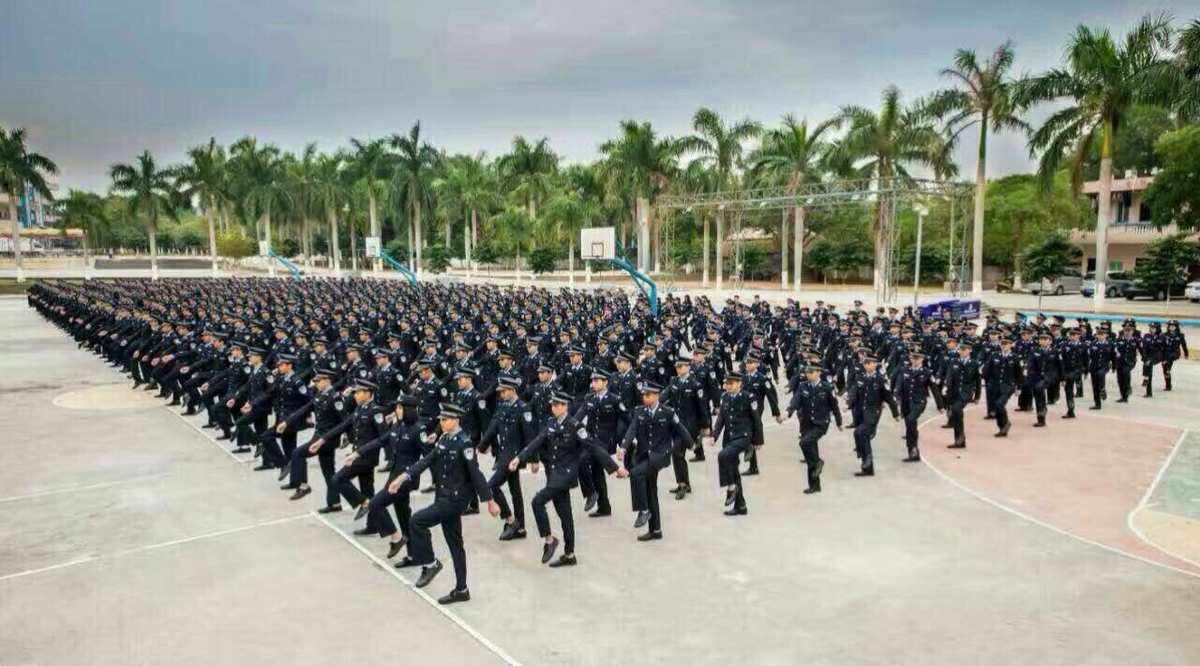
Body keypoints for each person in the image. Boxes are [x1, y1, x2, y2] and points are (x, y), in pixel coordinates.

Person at [393, 403, 499, 604]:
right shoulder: (444, 439)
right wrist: (403, 477)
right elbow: (427, 461)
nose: (442, 423)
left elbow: (476, 474)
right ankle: (462, 589)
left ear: (456, 420)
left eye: (446, 419)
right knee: (455, 544)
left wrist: (490, 501)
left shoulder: (465, 443)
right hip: (443, 496)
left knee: (417, 521)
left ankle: (431, 563)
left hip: (455, 500)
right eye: (441, 419)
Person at [509, 391, 623, 566]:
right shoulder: (551, 423)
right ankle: (570, 555)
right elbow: (537, 441)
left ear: (565, 407)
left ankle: (549, 540)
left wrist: (615, 468)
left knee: (537, 502)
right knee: (565, 515)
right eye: (553, 405)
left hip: (566, 474)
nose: (554, 408)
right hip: (554, 473)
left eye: (558, 405)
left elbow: (593, 447)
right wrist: (519, 458)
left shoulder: (575, 426)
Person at [619, 382, 694, 540]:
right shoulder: (639, 411)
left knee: (636, 473)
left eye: (648, 395)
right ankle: (656, 530)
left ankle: (644, 510)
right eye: (643, 395)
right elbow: (632, 429)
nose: (644, 397)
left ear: (657, 395)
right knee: (650, 490)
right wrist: (624, 447)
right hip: (644, 455)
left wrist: (692, 444)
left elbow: (680, 429)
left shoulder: (667, 412)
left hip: (660, 456)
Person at [277, 369, 347, 511]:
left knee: (298, 453)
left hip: (327, 439)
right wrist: (286, 422)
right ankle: (335, 503)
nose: (315, 383)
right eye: (315, 381)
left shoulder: (335, 397)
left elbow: (344, 420)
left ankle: (303, 485)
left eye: (318, 381)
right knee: (328, 471)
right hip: (319, 436)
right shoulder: (319, 394)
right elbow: (303, 409)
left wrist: (345, 437)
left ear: (327, 380)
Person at [479, 377, 538, 540]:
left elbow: (530, 436)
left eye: (504, 391)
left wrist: (534, 460)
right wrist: (481, 447)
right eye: (501, 392)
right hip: (504, 455)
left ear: (512, 390)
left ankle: (511, 520)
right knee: (515, 490)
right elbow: (492, 428)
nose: (502, 394)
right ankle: (520, 528)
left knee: (491, 486)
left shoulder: (523, 408)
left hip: (515, 456)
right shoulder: (502, 407)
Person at [783, 364, 842, 494]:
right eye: (807, 372)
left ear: (818, 373)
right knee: (810, 451)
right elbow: (795, 401)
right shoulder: (803, 386)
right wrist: (788, 412)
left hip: (821, 423)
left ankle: (818, 462)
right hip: (806, 423)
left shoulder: (827, 387)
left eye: (811, 372)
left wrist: (839, 422)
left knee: (805, 443)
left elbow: (834, 406)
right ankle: (814, 485)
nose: (808, 374)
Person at [710, 372, 759, 515]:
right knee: (734, 470)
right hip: (729, 438)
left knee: (722, 456)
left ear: (739, 384)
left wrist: (757, 441)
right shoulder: (725, 397)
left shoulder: (748, 397)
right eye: (726, 383)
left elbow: (756, 420)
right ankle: (740, 506)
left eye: (731, 383)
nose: (728, 386)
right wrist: (714, 436)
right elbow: (721, 419)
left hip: (743, 437)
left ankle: (731, 488)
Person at [661, 358, 710, 500]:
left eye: (681, 366)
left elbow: (702, 407)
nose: (678, 368)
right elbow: (665, 396)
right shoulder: (674, 382)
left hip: (690, 426)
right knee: (677, 454)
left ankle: (683, 484)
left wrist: (705, 426)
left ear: (688, 367)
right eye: (677, 366)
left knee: (677, 451)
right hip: (676, 425)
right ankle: (684, 483)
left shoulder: (696, 385)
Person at [847, 356, 899, 476]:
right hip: (860, 412)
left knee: (860, 432)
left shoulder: (880, 379)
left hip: (873, 412)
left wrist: (895, 413)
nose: (870, 365)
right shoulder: (860, 377)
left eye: (872, 363)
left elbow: (889, 397)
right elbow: (855, 392)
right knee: (860, 434)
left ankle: (866, 458)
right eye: (868, 363)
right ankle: (867, 466)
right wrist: (849, 403)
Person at [895, 353, 942, 462]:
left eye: (918, 359)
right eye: (913, 358)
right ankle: (912, 450)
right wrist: (896, 396)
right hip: (906, 402)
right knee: (909, 424)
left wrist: (940, 406)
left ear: (922, 359)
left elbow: (934, 389)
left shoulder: (927, 372)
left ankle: (914, 450)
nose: (915, 361)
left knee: (911, 420)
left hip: (919, 402)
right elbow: (899, 384)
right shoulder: (905, 370)